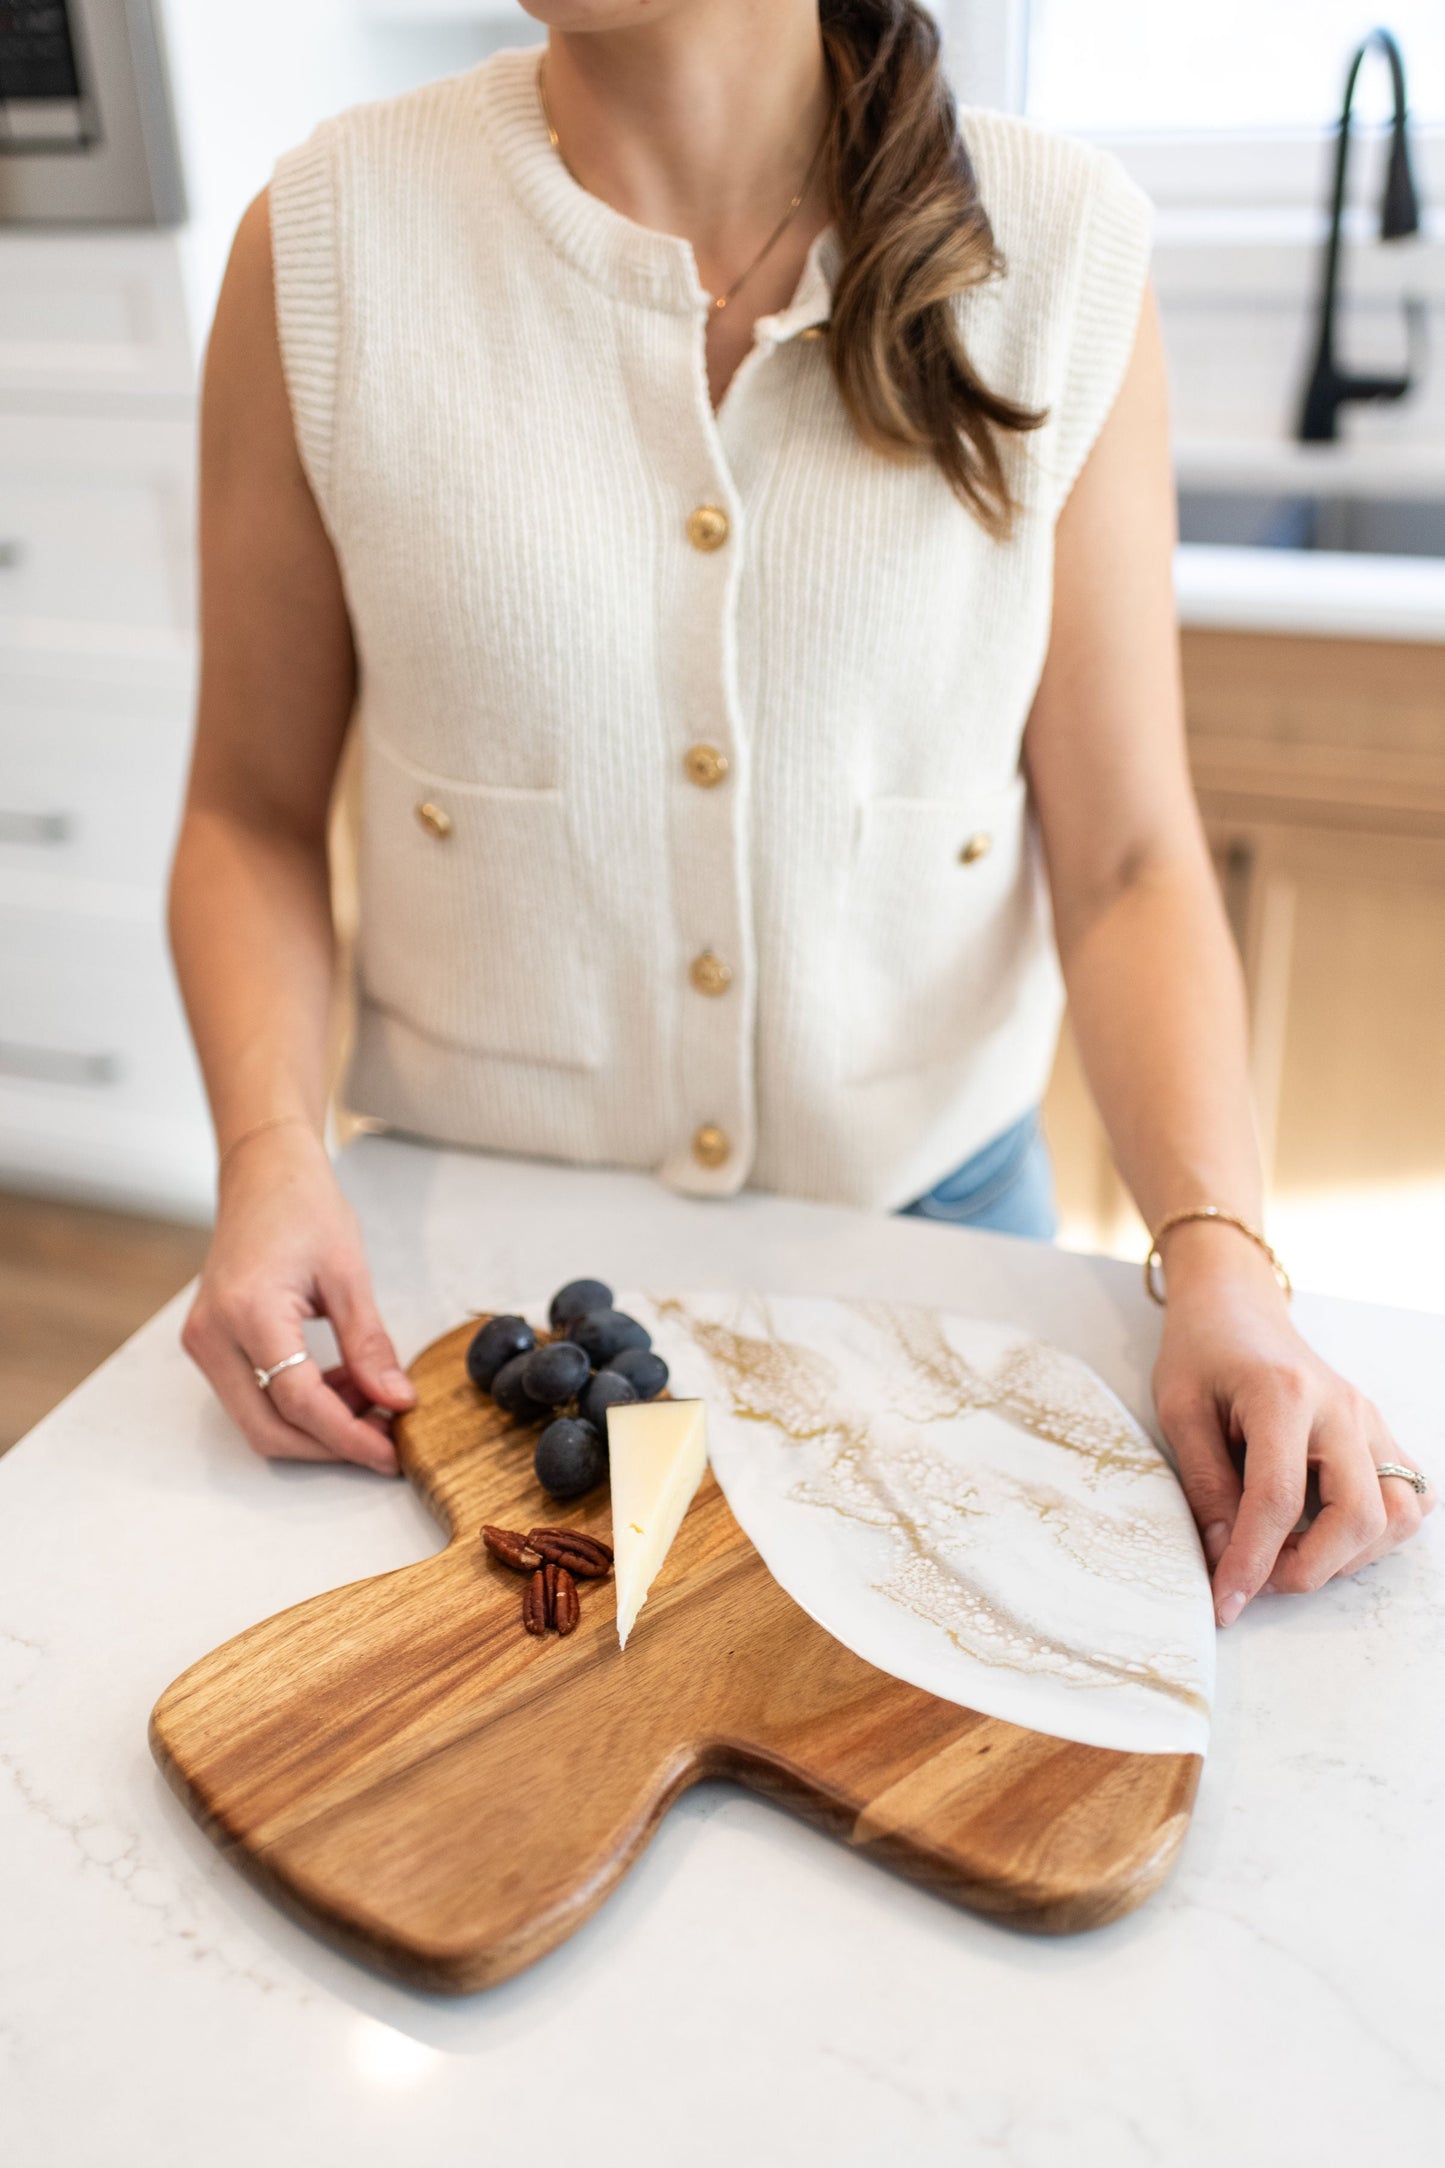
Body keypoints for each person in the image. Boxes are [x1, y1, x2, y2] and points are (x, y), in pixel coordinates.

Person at [169, 0, 1432, 1628]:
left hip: (939, 1252)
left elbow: (1124, 862)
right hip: (461, 1300)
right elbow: (249, 814)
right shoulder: (328, 243)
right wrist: (269, 1159)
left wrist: (1224, 1269)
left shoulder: (1058, 249)